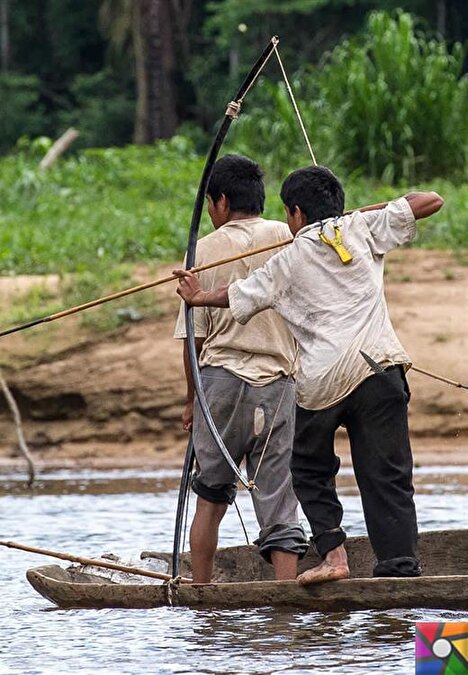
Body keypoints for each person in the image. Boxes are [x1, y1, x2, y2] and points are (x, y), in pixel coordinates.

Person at [174, 165, 444, 586]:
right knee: (388, 477)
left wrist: (197, 296)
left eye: (289, 213)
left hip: (323, 385)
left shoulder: (290, 257)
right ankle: (399, 573)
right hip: (380, 371)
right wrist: (372, 212)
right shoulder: (361, 228)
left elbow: (235, 296)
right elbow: (430, 199)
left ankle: (334, 556)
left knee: (307, 469)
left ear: (297, 213)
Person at [174, 155, 308, 583]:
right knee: (278, 498)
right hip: (279, 383)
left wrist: (192, 402)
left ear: (221, 202)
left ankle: (201, 594)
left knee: (210, 497)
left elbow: (193, 339)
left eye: (211, 204)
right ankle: (286, 595)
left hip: (220, 384)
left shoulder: (204, 251)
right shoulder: (288, 237)